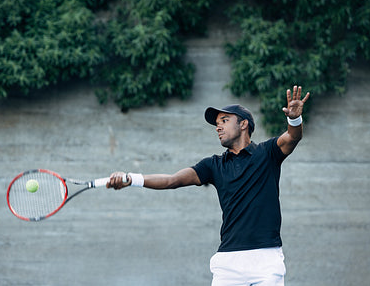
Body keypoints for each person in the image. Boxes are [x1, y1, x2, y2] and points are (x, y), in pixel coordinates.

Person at [107, 85, 310, 286]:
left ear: (243, 124)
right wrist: (130, 178)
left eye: (224, 120)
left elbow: (293, 136)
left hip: (266, 259)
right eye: (216, 124)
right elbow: (171, 180)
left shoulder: (267, 154)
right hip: (228, 262)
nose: (218, 127)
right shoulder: (212, 165)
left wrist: (294, 118)